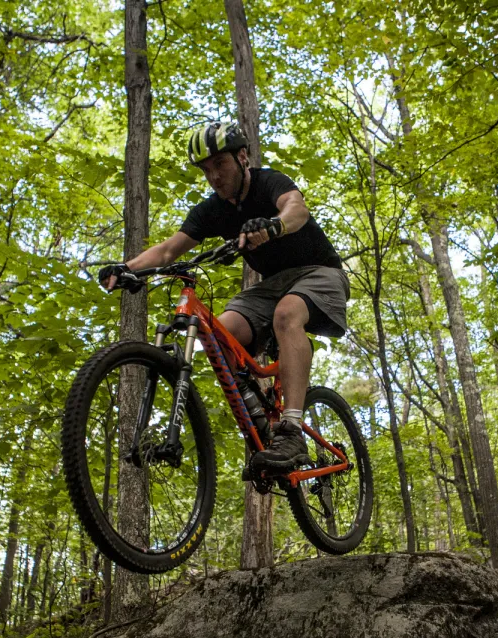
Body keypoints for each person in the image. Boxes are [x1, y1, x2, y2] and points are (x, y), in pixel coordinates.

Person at [100, 121, 349, 474]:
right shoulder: (211, 210)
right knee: (218, 334)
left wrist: (273, 225)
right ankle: (263, 422)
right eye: (206, 170)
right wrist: (126, 268)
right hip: (272, 285)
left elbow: (297, 209)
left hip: (320, 272)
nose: (214, 176)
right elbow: (170, 249)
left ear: (242, 157)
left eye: (221, 164)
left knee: (286, 314)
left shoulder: (268, 182)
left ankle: (292, 431)